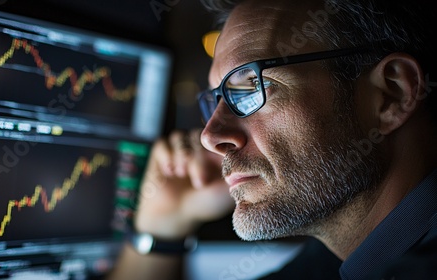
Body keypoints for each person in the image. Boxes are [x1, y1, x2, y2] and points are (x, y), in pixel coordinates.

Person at [107, 0, 437, 279]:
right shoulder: (349, 256)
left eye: (253, 88)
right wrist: (163, 225)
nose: (210, 136)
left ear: (393, 94)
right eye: (218, 98)